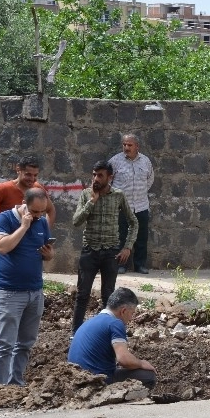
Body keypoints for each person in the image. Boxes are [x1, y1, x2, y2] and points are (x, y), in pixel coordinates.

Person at [0, 187, 53, 386]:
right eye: (35, 212)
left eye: (42, 212)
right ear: (24, 204)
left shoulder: (42, 222)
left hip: (35, 292)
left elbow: (48, 253)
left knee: (25, 344)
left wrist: (49, 255)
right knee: (5, 344)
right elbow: (2, 247)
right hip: (10, 292)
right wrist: (23, 227)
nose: (39, 216)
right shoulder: (5, 219)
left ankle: (16, 383)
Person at [71, 160, 138, 333]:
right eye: (94, 174)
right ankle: (76, 333)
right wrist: (91, 202)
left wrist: (127, 247)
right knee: (82, 294)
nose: (96, 179)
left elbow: (133, 222)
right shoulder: (87, 194)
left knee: (108, 296)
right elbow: (76, 221)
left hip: (111, 253)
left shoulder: (118, 195)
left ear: (110, 177)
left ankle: (105, 332)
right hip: (90, 251)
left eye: (100, 175)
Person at [68, 287, 157, 388]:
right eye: (131, 313)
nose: (131, 318)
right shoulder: (115, 323)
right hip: (97, 381)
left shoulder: (90, 321)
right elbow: (123, 359)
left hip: (75, 378)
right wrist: (141, 363)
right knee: (149, 376)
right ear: (123, 311)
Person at [0, 158, 55, 243]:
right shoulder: (3, 189)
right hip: (10, 243)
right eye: (28, 175)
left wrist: (45, 234)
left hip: (32, 243)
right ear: (18, 170)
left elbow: (51, 210)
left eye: (35, 175)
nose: (32, 179)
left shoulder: (37, 188)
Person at [108, 133, 155, 274]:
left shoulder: (145, 161)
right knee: (121, 236)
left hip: (141, 205)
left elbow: (150, 179)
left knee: (141, 237)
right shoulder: (115, 161)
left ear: (137, 146)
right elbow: (108, 181)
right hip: (122, 207)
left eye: (129, 145)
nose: (126, 147)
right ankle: (121, 265)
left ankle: (140, 265)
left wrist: (140, 193)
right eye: (124, 145)